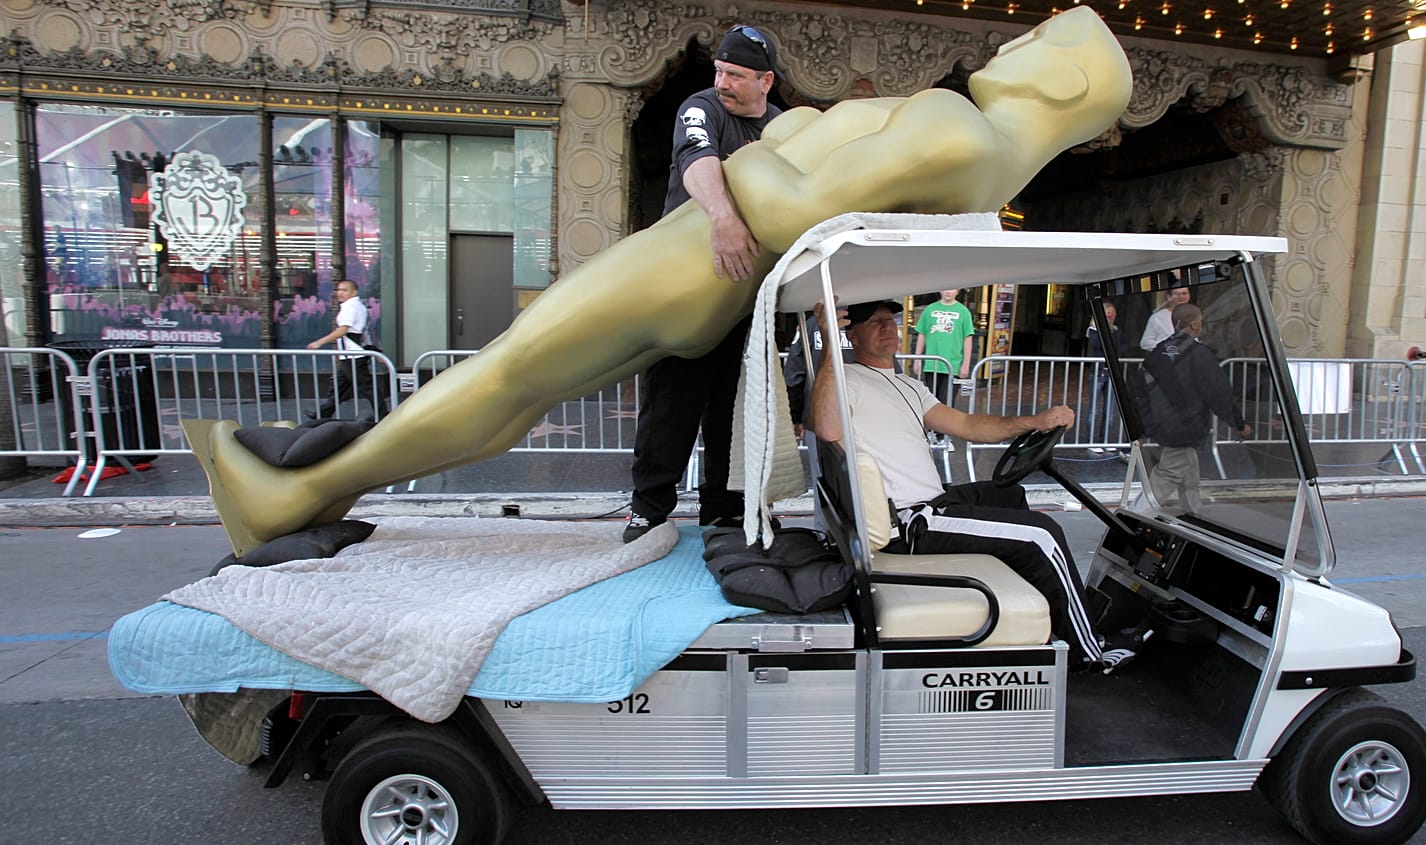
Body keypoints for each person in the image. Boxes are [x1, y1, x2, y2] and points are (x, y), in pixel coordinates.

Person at [186, 8, 1134, 557]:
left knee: (512, 371)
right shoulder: (990, 173)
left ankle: (297, 492)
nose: (1012, 47)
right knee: (520, 388)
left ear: (1059, 86)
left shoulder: (952, 124)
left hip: (697, 259)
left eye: (1041, 41)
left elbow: (787, 193)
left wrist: (735, 197)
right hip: (720, 279)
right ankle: (324, 490)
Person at [808, 299, 1135, 669]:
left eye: (891, 320)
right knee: (1041, 533)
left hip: (934, 500)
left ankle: (1047, 605)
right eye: (874, 323)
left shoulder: (909, 386)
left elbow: (968, 425)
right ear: (851, 334)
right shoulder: (845, 379)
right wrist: (829, 345)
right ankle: (1088, 652)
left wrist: (1034, 421)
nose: (887, 328)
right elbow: (828, 427)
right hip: (909, 521)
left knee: (1007, 493)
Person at [625, 24, 785, 543]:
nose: (722, 81)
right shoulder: (701, 107)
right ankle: (649, 508)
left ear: (766, 80)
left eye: (735, 75)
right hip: (689, 290)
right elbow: (697, 160)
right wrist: (722, 217)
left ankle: (723, 507)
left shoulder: (784, 125)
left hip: (748, 299)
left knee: (734, 413)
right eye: (719, 70)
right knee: (671, 404)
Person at [1140, 303, 1253, 514]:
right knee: (1169, 473)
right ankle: (1135, 514)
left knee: (1189, 470)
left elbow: (1140, 391)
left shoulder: (1157, 353)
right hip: (1184, 425)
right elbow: (1219, 394)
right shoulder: (1200, 355)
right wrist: (1239, 424)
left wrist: (1143, 426)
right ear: (1194, 325)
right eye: (1200, 320)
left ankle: (1193, 513)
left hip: (1160, 423)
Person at [305, 280, 374, 421]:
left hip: (353, 355)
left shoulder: (350, 306)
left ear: (354, 292)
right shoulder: (356, 306)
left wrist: (319, 342)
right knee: (340, 387)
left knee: (366, 388)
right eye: (339, 290)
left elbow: (343, 330)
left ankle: (383, 413)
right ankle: (323, 413)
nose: (340, 293)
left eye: (344, 290)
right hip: (350, 354)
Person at [913, 289, 974, 409]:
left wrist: (966, 364)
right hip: (932, 364)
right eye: (946, 288)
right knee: (931, 401)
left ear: (958, 291)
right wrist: (917, 359)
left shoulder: (963, 311)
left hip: (953, 364)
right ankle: (931, 428)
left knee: (947, 402)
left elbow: (968, 338)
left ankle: (944, 428)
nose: (948, 292)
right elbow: (922, 335)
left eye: (952, 288)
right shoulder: (930, 309)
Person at [1084, 298, 1123, 451]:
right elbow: (1098, 345)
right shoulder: (1093, 330)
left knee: (1110, 409)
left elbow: (1119, 346)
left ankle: (1105, 440)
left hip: (1111, 372)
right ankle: (1090, 442)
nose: (1110, 317)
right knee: (1094, 409)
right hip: (1098, 372)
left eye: (1112, 314)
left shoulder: (1116, 330)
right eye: (1107, 315)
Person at [1138, 279, 1190, 352]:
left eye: (1184, 293)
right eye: (1177, 294)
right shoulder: (1157, 317)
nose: (1181, 297)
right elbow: (1145, 343)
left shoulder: (1191, 316)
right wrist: (1166, 347)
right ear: (1168, 296)